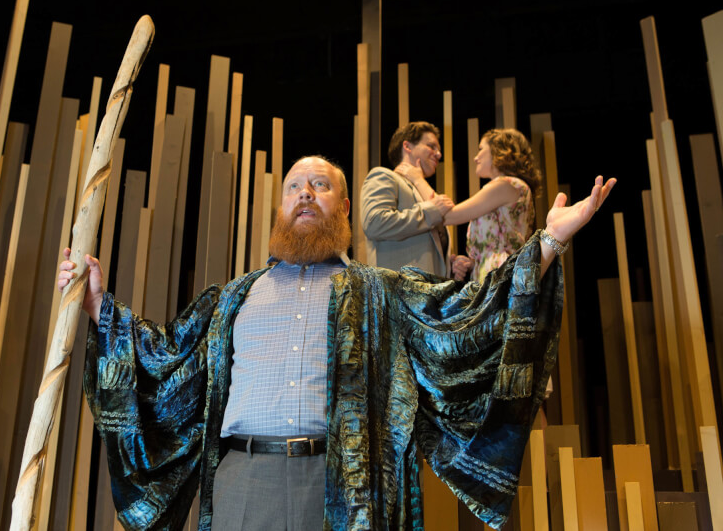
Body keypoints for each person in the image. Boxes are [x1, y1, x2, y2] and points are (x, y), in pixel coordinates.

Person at [58, 155, 615, 530]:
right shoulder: (231, 300)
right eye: (294, 188)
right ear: (280, 210)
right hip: (242, 485)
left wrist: (548, 241)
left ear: (344, 209)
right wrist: (99, 309)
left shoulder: (383, 293)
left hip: (347, 492)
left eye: (321, 186)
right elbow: (166, 359)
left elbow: (467, 315)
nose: (306, 194)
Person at [395, 128, 539, 283]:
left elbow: (449, 215)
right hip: (499, 273)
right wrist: (472, 264)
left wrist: (418, 180)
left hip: (500, 277)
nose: (476, 157)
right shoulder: (514, 187)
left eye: (481, 149)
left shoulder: (506, 185)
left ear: (500, 152)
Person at [360, 122, 455, 277]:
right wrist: (430, 211)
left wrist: (451, 263)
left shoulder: (423, 192)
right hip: (399, 296)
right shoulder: (384, 176)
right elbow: (374, 223)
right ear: (408, 147)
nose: (439, 154)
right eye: (432, 146)